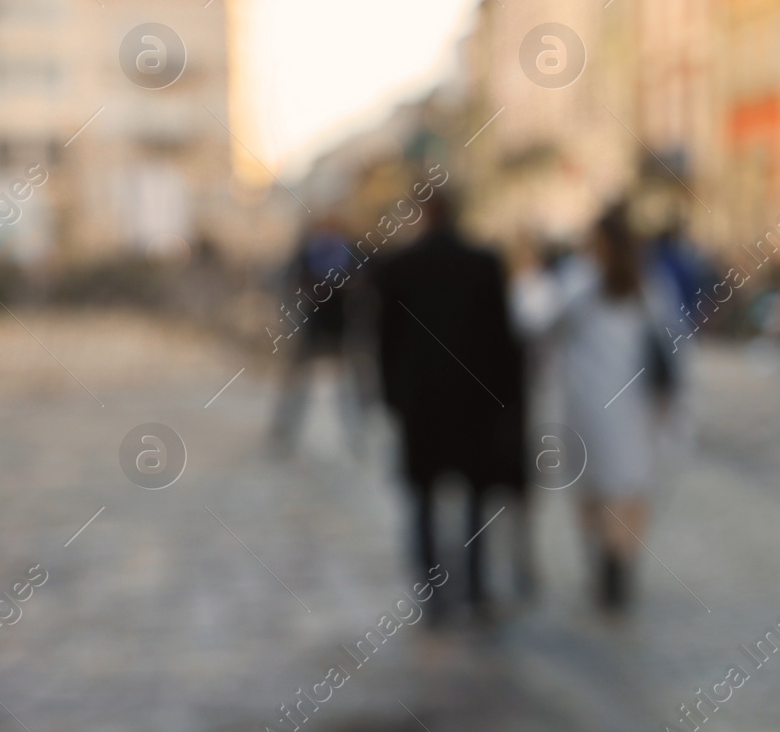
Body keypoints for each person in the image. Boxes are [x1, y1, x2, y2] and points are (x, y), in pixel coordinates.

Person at [514, 203, 686, 612]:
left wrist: (528, 277)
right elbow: (673, 340)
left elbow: (535, 323)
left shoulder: (578, 280)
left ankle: (604, 566)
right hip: (634, 404)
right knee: (629, 489)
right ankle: (620, 564)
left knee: (593, 489)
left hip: (588, 405)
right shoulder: (648, 283)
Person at [373, 191, 527, 616]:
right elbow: (503, 342)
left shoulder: (400, 266)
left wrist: (390, 396)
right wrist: (509, 402)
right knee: (475, 499)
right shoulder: (484, 263)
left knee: (422, 498)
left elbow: (385, 341)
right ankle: (475, 589)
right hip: (472, 402)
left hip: (421, 404)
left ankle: (432, 593)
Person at [267, 217, 366, 456]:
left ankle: (355, 437)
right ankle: (283, 433)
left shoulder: (347, 252)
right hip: (313, 325)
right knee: (298, 384)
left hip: (338, 327)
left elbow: (361, 286)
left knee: (346, 388)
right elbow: (290, 283)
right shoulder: (311, 252)